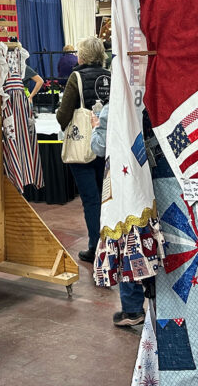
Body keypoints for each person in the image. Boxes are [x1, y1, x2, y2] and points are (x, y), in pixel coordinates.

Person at [56, 36, 111, 263]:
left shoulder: (75, 77)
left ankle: (95, 246)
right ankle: (111, 242)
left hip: (82, 146)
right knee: (106, 196)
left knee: (91, 199)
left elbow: (63, 115)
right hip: (107, 144)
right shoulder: (111, 76)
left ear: (83, 55)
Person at [92, 105, 147, 328]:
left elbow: (98, 147)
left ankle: (133, 308)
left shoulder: (113, 105)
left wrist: (96, 127)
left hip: (125, 183)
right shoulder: (151, 93)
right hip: (155, 177)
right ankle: (160, 303)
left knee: (126, 240)